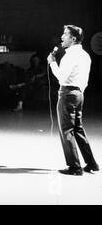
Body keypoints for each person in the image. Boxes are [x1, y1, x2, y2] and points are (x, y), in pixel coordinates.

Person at [47, 25, 99, 175]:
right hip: (79, 94)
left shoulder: (70, 56)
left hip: (68, 94)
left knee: (67, 130)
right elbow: (85, 80)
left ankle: (74, 167)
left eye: (65, 34)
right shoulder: (85, 55)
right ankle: (91, 163)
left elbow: (62, 78)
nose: (62, 37)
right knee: (78, 129)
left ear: (73, 38)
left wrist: (52, 63)